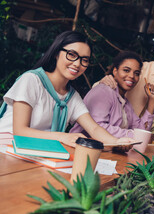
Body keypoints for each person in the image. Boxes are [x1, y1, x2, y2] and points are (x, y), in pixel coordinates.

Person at [0, 31, 132, 150]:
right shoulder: (31, 80)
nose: (77, 64)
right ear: (57, 53)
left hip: (37, 152)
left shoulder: (72, 97)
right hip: (7, 147)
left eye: (84, 60)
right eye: (72, 55)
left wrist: (117, 142)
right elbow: (20, 131)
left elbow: (94, 128)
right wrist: (62, 137)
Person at [70, 51, 154, 138]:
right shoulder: (103, 91)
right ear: (115, 71)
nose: (132, 76)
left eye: (137, 73)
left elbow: (141, 131)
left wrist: (152, 100)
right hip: (79, 147)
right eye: (126, 70)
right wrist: (131, 135)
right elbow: (98, 127)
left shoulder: (126, 104)